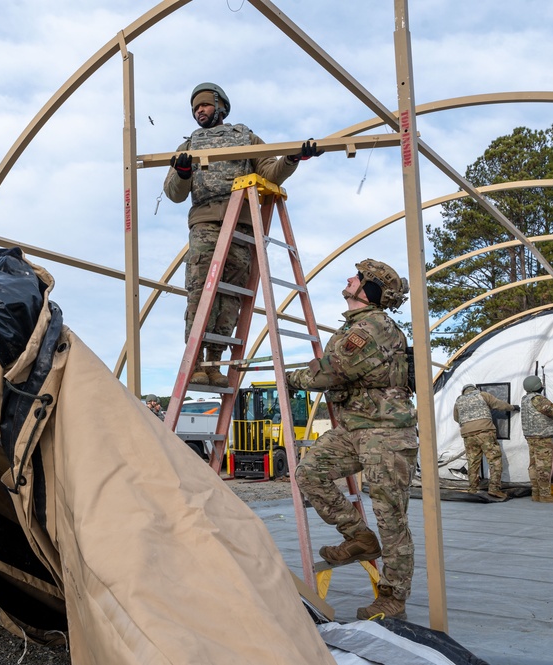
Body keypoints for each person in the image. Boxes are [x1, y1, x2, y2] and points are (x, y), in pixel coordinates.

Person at [164, 82, 322, 388]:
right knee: (201, 290)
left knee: (230, 296)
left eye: (205, 105)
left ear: (221, 107)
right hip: (207, 222)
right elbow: (173, 193)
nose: (200, 111)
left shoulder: (245, 138)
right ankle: (196, 361)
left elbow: (270, 171)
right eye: (196, 107)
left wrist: (292, 159)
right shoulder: (188, 147)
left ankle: (214, 362)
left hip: (242, 224)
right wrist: (183, 173)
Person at [286, 259, 417, 621]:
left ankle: (393, 596)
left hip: (386, 432)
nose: (349, 279)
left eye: (357, 277)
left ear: (367, 290)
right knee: (309, 472)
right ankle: (358, 536)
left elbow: (330, 373)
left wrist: (290, 377)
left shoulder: (372, 328)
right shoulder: (357, 327)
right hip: (355, 428)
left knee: (391, 517)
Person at [453, 384, 518, 500]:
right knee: (494, 460)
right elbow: (499, 405)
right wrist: (512, 407)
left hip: (468, 435)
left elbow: (456, 418)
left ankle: (473, 488)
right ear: (475, 389)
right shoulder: (482, 395)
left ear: (464, 391)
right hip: (485, 432)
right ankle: (494, 489)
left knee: (472, 462)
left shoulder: (459, 400)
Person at [520, 375, 553, 504]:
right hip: (542, 437)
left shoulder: (525, 399)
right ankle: (545, 495)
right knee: (544, 467)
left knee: (533, 465)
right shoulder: (538, 399)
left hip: (530, 436)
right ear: (538, 386)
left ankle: (535, 493)